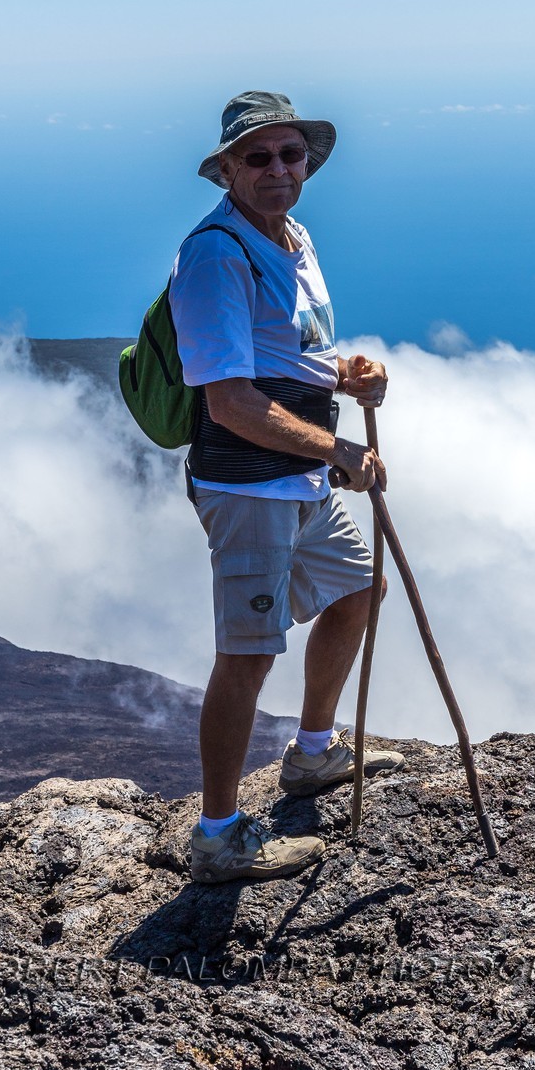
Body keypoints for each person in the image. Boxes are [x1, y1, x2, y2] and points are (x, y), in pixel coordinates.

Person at [170, 90, 404, 885]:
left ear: (307, 163)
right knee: (245, 656)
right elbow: (228, 399)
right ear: (226, 169)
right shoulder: (214, 255)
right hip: (250, 488)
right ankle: (217, 834)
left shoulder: (293, 237)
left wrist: (346, 371)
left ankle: (310, 755)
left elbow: (287, 348)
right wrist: (337, 447)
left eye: (290, 155)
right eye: (257, 157)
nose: (277, 169)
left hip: (299, 473)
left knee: (357, 592)